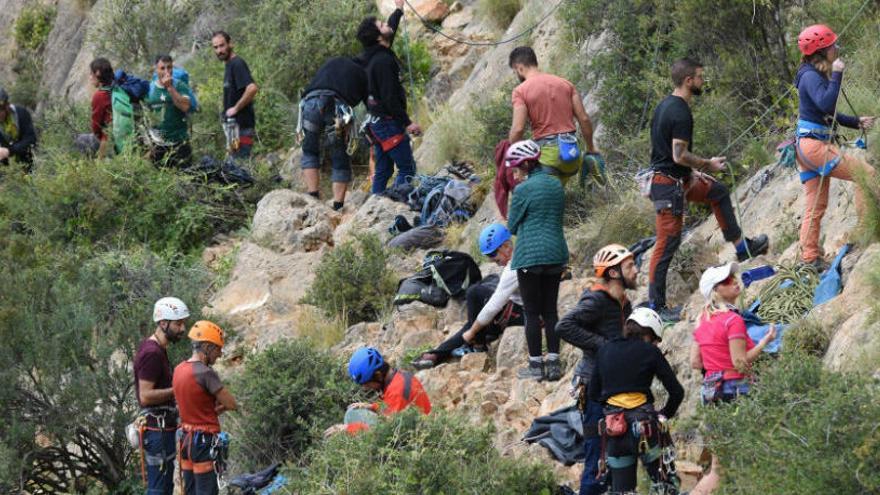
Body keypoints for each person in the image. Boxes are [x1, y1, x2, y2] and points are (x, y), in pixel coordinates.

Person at [647, 58, 769, 322]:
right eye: (700, 77)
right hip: (668, 187)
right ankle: (656, 306)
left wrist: (693, 172)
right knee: (667, 243)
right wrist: (707, 164)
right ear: (689, 81)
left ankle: (742, 248)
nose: (703, 81)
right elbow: (678, 154)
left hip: (676, 180)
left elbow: (666, 152)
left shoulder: (664, 106)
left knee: (718, 191)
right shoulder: (679, 112)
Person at [688, 262, 776, 494]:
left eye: (733, 277)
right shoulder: (732, 320)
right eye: (727, 281)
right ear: (716, 291)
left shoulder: (702, 321)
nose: (735, 281)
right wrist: (765, 341)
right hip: (736, 390)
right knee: (753, 456)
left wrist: (716, 362)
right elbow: (740, 362)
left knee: (719, 466)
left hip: (711, 392)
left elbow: (696, 362)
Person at [794, 24, 876, 271]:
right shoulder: (810, 76)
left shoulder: (810, 73)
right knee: (866, 174)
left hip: (806, 147)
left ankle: (809, 258)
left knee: (815, 205)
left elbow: (824, 111)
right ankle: (867, 230)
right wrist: (838, 74)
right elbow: (826, 103)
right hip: (814, 147)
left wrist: (854, 121)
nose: (837, 49)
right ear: (821, 50)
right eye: (833, 46)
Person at [556, 244, 636, 495]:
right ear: (613, 273)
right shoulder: (597, 300)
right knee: (598, 451)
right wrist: (603, 346)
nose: (636, 270)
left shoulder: (622, 302)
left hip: (612, 385)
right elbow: (564, 326)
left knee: (613, 449)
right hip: (594, 385)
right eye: (630, 266)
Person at [589, 307, 684, 495]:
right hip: (645, 428)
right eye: (656, 340)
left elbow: (593, 393)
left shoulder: (604, 350)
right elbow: (677, 392)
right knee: (666, 486)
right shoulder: (650, 351)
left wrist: (613, 407)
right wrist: (663, 414)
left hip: (615, 430)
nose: (655, 344)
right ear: (649, 334)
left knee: (622, 492)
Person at [412, 224, 525, 369]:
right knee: (486, 289)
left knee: (473, 294)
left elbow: (493, 306)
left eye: (493, 255)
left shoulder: (513, 268)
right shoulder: (522, 253)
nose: (492, 260)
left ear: (506, 247)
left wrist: (473, 331)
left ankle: (476, 345)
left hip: (524, 313)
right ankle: (437, 354)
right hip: (522, 308)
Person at [505, 140, 568, 381]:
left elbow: (512, 225)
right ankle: (554, 364)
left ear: (528, 164)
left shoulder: (522, 191)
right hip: (556, 253)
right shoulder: (555, 185)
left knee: (532, 313)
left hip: (530, 257)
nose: (515, 175)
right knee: (551, 310)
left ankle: (535, 366)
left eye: (517, 169)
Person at [507, 46, 601, 184]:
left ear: (519, 67)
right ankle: (585, 167)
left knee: (535, 197)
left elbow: (518, 129)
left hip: (548, 158)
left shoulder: (520, 91)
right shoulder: (566, 84)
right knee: (559, 195)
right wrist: (591, 148)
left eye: (515, 71)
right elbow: (584, 118)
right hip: (572, 154)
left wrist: (518, 163)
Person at [357, 0, 422, 194]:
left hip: (376, 124)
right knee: (407, 169)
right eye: (381, 25)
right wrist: (408, 123)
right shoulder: (383, 62)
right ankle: (396, 204)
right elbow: (390, 98)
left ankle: (376, 206)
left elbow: (390, 29)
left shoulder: (375, 53)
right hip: (388, 122)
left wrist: (399, 9)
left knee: (384, 170)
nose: (387, 25)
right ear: (378, 36)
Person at [173, 321, 237, 495]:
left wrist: (209, 410)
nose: (220, 354)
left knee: (191, 490)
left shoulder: (179, 369)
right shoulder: (205, 373)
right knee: (206, 490)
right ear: (207, 347)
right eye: (217, 349)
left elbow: (194, 405)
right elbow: (232, 404)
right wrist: (217, 409)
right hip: (203, 442)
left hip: (185, 440)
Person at [134, 297, 190, 495]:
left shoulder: (158, 349)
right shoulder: (152, 353)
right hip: (157, 430)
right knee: (159, 489)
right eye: (178, 323)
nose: (182, 328)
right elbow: (146, 396)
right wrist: (179, 388)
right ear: (163, 323)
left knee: (165, 487)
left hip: (162, 428)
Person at [299, 55, 367, 210]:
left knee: (309, 151)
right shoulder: (361, 72)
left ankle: (313, 198)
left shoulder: (334, 61)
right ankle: (337, 207)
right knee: (339, 156)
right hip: (335, 106)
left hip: (310, 103)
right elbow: (367, 102)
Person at [341, 347, 431, 434]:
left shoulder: (397, 391)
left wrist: (347, 429)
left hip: (418, 437)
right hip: (413, 426)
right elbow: (392, 405)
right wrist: (372, 406)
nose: (365, 388)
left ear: (378, 375)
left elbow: (383, 432)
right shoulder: (398, 377)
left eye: (366, 384)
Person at [211, 31, 258, 159]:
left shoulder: (237, 63)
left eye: (222, 45)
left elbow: (252, 88)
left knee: (240, 166)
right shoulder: (229, 65)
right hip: (234, 129)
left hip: (242, 129)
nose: (219, 50)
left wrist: (236, 108)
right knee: (236, 166)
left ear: (230, 44)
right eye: (216, 47)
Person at [145, 54, 193, 168]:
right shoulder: (149, 89)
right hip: (158, 145)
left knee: (185, 180)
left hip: (180, 142)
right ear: (156, 70)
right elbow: (146, 116)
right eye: (162, 68)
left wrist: (170, 88)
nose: (167, 71)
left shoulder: (180, 85)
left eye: (169, 67)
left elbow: (185, 107)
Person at [75, 58, 114, 158]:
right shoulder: (116, 88)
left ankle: (90, 166)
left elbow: (96, 127)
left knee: (80, 140)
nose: (90, 77)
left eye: (91, 74)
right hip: (122, 135)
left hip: (108, 139)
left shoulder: (100, 96)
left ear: (97, 74)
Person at [0, 86, 37, 167]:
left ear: (7, 105)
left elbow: (31, 139)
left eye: (0, 109)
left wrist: (9, 151)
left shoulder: (21, 113)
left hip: (28, 158)